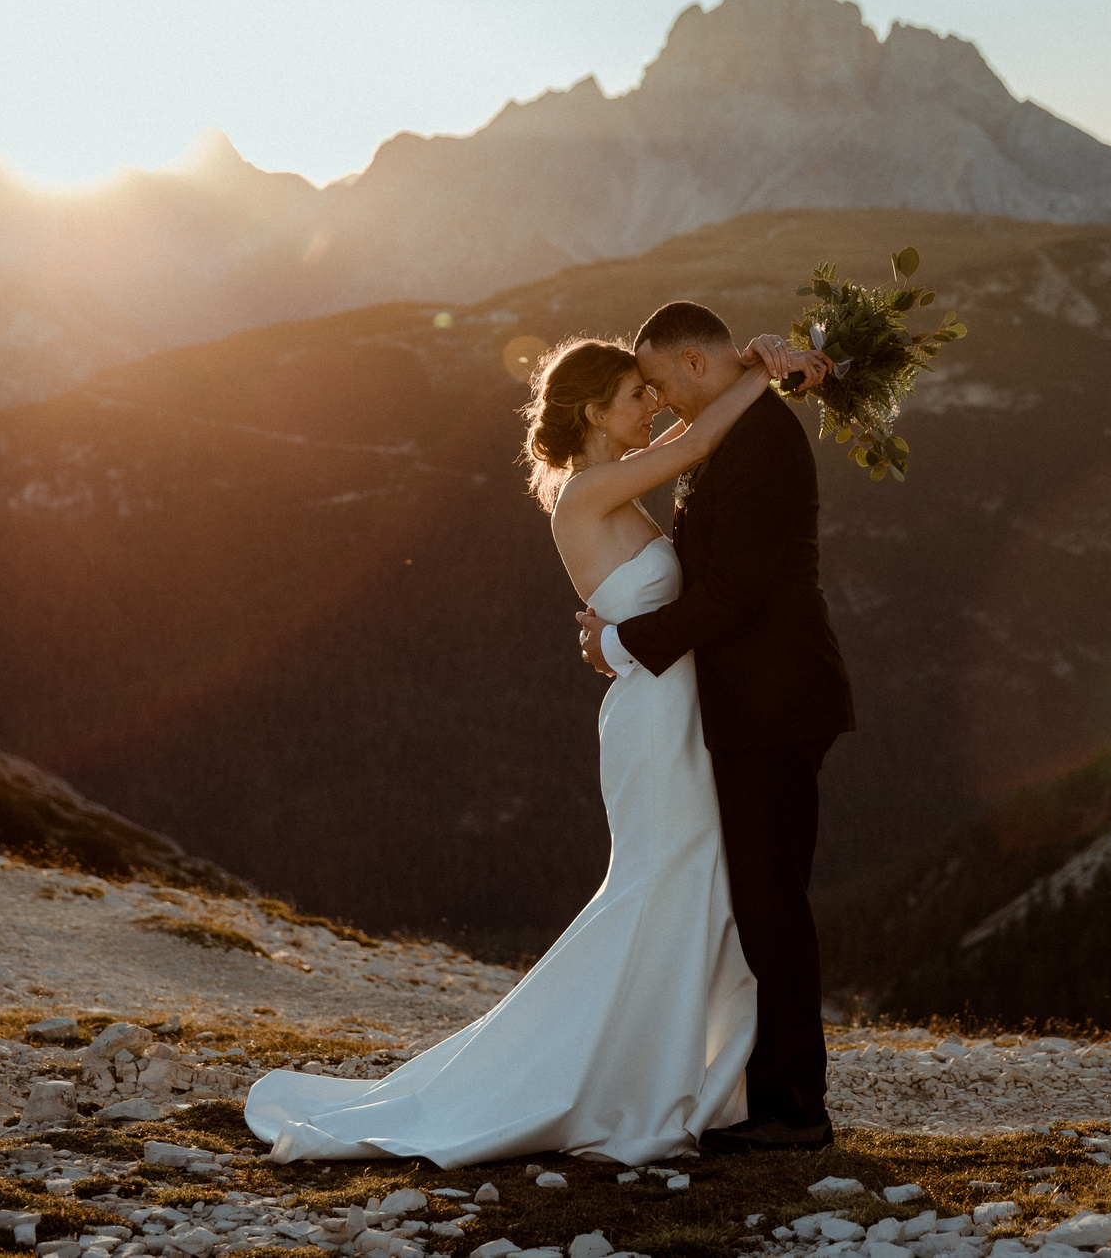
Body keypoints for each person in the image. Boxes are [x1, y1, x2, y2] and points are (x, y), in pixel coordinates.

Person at [242, 326, 829, 1166]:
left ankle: (674, 1073)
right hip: (657, 721)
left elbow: (691, 430)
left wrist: (752, 363)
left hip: (680, 711)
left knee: (691, 884)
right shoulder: (585, 494)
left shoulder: (612, 485)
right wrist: (770, 370)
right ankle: (607, 1077)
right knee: (662, 880)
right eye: (637, 394)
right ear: (595, 409)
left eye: (653, 390)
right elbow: (700, 436)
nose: (653, 404)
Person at [578, 300, 855, 1153]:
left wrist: (621, 639)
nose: (657, 400)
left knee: (772, 904)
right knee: (758, 899)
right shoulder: (737, 426)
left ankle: (794, 1110)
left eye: (658, 380)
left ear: (696, 363)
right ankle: (765, 1092)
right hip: (750, 701)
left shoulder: (762, 440)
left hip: (774, 699)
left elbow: (732, 595)